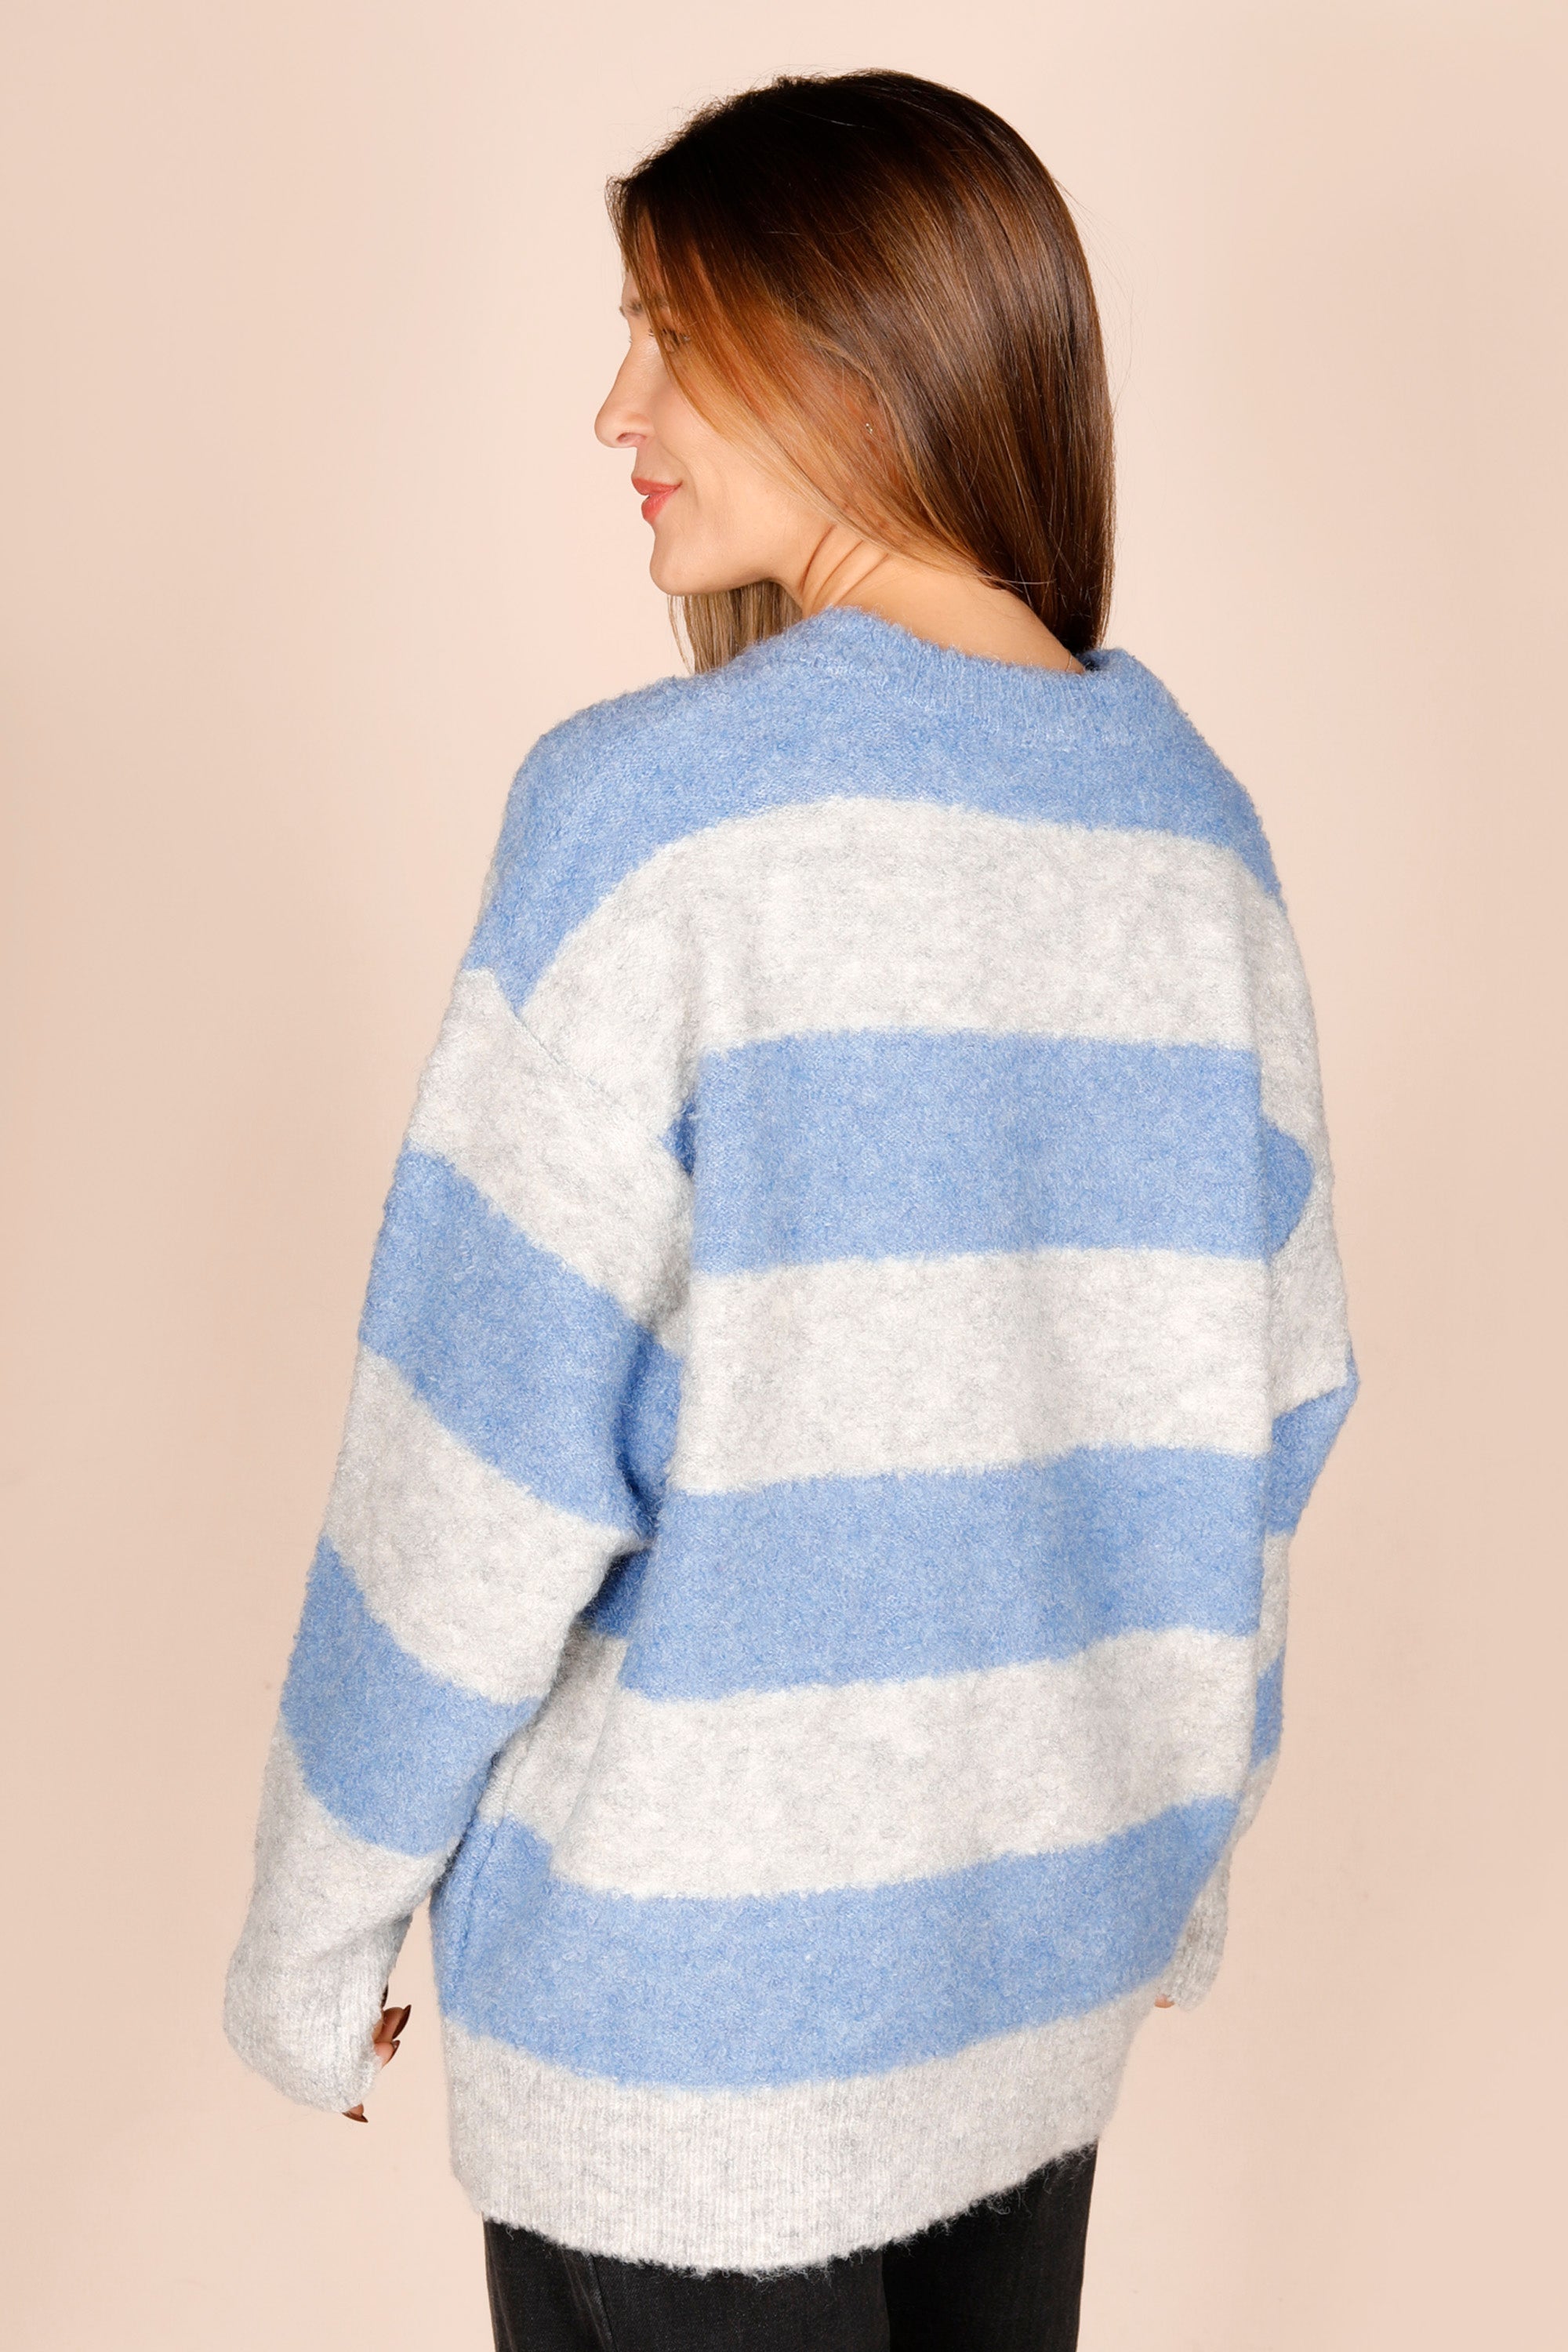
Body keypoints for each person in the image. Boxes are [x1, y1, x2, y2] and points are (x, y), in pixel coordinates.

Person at [224, 68, 1357, 2351]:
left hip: (684, 2044)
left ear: (855, 354)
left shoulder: (656, 826)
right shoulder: (1193, 836)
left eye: (670, 335)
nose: (615, 409)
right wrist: (1167, 1873)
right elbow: (1265, 1424)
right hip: (1028, 1993)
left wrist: (312, 1933)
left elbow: (473, 1468)